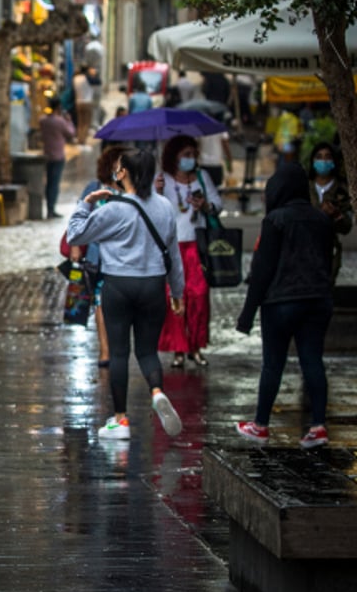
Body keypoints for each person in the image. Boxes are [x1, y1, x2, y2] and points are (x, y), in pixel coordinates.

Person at [66, 148, 186, 442]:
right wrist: (178, 291)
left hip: (119, 285)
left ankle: (120, 421)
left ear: (124, 174)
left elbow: (75, 235)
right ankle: (157, 392)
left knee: (119, 353)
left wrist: (86, 203)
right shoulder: (164, 207)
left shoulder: (113, 208)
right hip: (153, 285)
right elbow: (174, 254)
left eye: (119, 168)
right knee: (147, 351)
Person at [235, 162, 335, 449]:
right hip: (317, 301)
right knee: (312, 361)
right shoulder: (321, 220)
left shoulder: (275, 220)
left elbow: (263, 270)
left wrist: (247, 315)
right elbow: (326, 262)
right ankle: (318, 426)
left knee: (273, 365)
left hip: (281, 302)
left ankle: (260, 425)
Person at [155, 134, 221, 368]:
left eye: (193, 155)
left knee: (199, 297)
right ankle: (178, 349)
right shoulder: (162, 181)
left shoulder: (202, 178)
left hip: (197, 247)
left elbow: (217, 205)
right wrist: (156, 193)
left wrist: (205, 206)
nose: (190, 159)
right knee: (175, 298)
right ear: (174, 157)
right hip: (173, 248)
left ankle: (195, 346)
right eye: (186, 155)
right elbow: (152, 211)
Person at [71, 145, 127, 368]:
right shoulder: (94, 189)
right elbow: (79, 216)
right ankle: (105, 351)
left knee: (121, 306)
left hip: (124, 260)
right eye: (117, 165)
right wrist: (75, 245)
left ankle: (119, 348)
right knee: (101, 304)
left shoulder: (131, 193)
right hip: (98, 258)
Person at [306, 141, 352, 284]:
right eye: (319, 157)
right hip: (305, 247)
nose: (323, 161)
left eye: (327, 157)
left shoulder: (341, 189)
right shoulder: (305, 186)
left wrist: (336, 215)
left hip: (329, 249)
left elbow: (346, 227)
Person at [38, 97, 76, 219]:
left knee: (49, 182)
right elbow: (71, 133)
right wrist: (69, 121)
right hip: (58, 156)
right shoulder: (60, 122)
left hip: (47, 154)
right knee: (54, 183)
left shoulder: (43, 120)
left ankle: (49, 208)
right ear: (59, 107)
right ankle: (51, 209)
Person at [73, 65, 94, 144]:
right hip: (87, 102)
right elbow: (98, 81)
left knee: (80, 122)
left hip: (78, 102)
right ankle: (83, 140)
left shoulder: (75, 78)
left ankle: (79, 139)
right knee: (86, 123)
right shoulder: (87, 78)